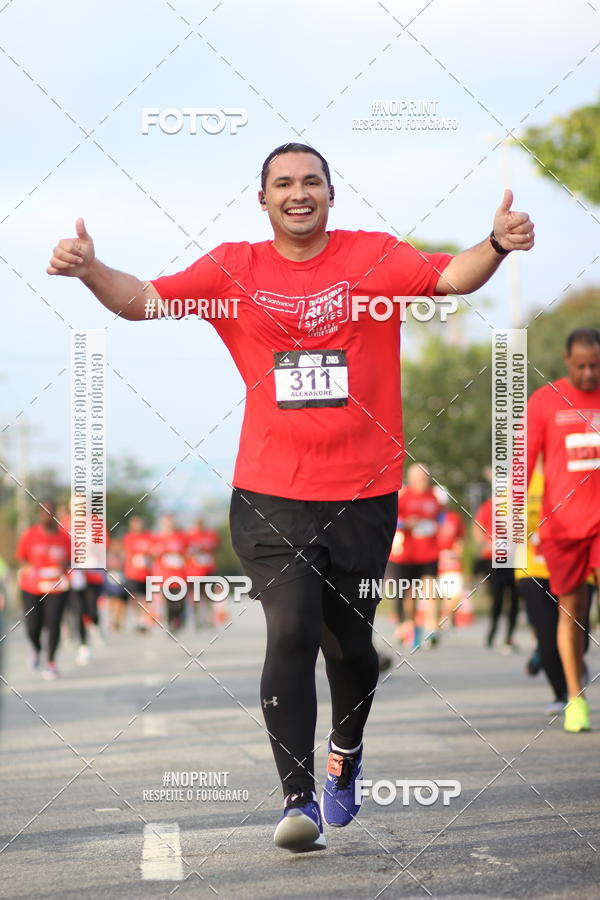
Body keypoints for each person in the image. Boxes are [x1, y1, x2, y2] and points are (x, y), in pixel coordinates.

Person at [47, 141, 534, 852]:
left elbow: (453, 278)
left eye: (311, 182)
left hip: (367, 492)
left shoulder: (373, 256)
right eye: (283, 183)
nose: (298, 193)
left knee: (352, 649)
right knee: (292, 630)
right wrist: (91, 270)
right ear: (263, 198)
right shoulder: (232, 269)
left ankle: (345, 749)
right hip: (271, 491)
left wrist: (495, 243)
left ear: (331, 195)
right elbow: (143, 302)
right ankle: (296, 796)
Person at [526, 328, 600, 733]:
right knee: (572, 610)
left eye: (596, 366)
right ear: (566, 360)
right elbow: (523, 462)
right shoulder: (544, 401)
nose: (589, 374)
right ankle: (576, 696)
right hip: (563, 525)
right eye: (581, 366)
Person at [515, 465, 593, 715]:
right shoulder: (523, 478)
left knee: (580, 633)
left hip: (578, 566)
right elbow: (506, 524)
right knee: (548, 640)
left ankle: (575, 667)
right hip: (535, 571)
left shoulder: (578, 474)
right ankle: (564, 695)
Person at [388, 464, 443, 649]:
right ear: (411, 479)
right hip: (407, 555)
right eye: (420, 479)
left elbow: (442, 518)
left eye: (426, 479)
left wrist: (438, 527)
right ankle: (411, 627)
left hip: (429, 553)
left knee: (431, 591)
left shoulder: (434, 497)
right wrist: (406, 523)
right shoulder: (403, 496)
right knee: (408, 595)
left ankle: (432, 630)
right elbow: (393, 520)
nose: (423, 482)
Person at [15, 500, 71, 679]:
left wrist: (64, 566)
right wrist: (30, 568)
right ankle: (36, 649)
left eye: (51, 511)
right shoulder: (30, 535)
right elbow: (22, 558)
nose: (47, 515)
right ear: (38, 514)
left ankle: (51, 663)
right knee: (33, 626)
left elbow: (71, 562)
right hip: (32, 587)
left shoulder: (64, 537)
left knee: (54, 623)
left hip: (56, 587)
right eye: (43, 512)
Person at [473, 496, 520, 652]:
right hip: (494, 559)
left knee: (514, 598)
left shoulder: (518, 506)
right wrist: (486, 544)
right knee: (497, 597)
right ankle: (492, 632)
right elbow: (478, 527)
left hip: (514, 558)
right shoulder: (489, 505)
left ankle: (509, 637)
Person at [151, 514, 189, 631]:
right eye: (166, 522)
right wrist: (157, 551)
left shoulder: (181, 537)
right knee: (169, 600)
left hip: (180, 574)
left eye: (170, 521)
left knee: (180, 600)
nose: (169, 524)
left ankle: (179, 619)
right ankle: (172, 622)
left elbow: (188, 553)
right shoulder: (157, 538)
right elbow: (152, 554)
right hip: (165, 575)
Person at [186, 517, 222, 628]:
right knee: (196, 597)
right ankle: (197, 619)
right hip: (194, 571)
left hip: (208, 570)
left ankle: (209, 618)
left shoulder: (211, 535)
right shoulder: (189, 536)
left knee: (209, 596)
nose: (200, 526)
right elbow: (185, 551)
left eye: (201, 523)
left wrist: (205, 548)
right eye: (198, 524)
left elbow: (217, 547)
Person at [122, 515, 155, 632]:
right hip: (132, 573)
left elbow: (154, 551)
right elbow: (127, 554)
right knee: (134, 597)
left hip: (146, 573)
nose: (137, 526)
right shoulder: (129, 537)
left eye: (139, 523)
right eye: (134, 523)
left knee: (145, 597)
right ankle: (136, 619)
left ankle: (143, 620)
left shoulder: (149, 536)